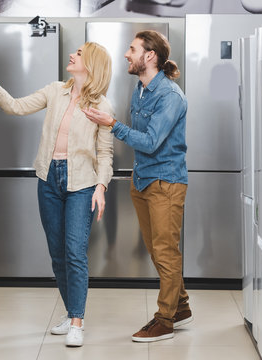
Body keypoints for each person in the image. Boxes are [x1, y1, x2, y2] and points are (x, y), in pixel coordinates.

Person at [0, 42, 114, 347]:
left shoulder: (102, 107)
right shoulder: (55, 91)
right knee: (57, 255)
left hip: (82, 184)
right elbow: (15, 106)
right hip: (48, 179)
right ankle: (71, 312)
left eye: (79, 54)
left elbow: (105, 154)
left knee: (74, 253)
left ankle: (77, 322)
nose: (72, 55)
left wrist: (102, 187)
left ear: (91, 64)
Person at [82, 30, 192, 342]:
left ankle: (165, 319)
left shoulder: (170, 96)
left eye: (132, 49)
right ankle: (181, 305)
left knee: (165, 251)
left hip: (166, 182)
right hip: (143, 180)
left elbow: (151, 142)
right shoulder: (140, 89)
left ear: (150, 56)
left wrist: (111, 125)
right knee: (156, 249)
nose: (127, 55)